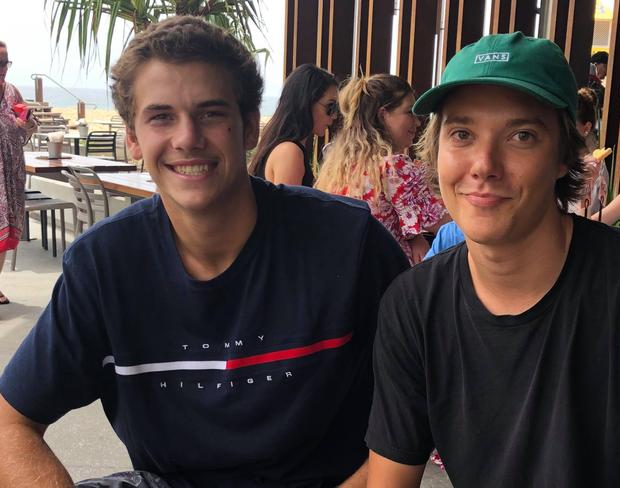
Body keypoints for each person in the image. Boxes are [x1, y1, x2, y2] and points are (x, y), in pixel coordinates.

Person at [0, 16, 409, 487]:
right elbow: (12, 423)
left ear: (252, 126)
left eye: (212, 113)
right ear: (133, 137)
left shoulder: (348, 242)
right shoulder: (106, 264)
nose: (187, 137)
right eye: (161, 117)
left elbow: (416, 401)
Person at [366, 32, 620, 487]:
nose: (484, 164)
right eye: (461, 133)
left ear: (563, 156)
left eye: (521, 135)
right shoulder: (414, 306)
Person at [315, 74, 448, 265]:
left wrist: (414, 236)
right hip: (389, 276)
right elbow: (447, 224)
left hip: (347, 272)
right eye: (409, 112)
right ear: (383, 114)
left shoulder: (338, 166)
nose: (418, 122)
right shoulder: (394, 166)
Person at [248, 64, 338, 186]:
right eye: (330, 107)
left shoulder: (281, 146)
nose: (334, 116)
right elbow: (288, 205)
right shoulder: (290, 152)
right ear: (307, 103)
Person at [0, 40, 37, 304]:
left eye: (6, 62)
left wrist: (27, 123)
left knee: (5, 229)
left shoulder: (12, 92)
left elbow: (31, 128)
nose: (3, 68)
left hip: (11, 172)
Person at [568, 87, 609, 217]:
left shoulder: (596, 165)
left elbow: (595, 215)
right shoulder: (554, 159)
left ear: (586, 128)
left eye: (570, 126)